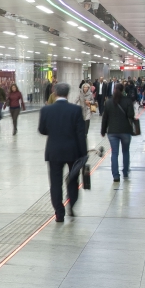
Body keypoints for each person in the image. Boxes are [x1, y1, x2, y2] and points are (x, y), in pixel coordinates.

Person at [38, 82, 88, 222]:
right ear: (68, 94)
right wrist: (84, 154)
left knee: (55, 183)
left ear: (55, 93)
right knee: (72, 180)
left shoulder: (46, 110)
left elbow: (42, 130)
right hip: (73, 151)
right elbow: (80, 134)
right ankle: (71, 205)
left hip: (53, 151)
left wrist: (53, 132)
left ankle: (59, 213)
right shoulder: (76, 110)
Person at [101, 85, 135, 182]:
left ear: (114, 90)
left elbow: (105, 118)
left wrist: (103, 131)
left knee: (114, 153)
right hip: (126, 131)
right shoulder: (128, 101)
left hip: (112, 131)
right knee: (126, 152)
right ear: (123, 90)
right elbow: (131, 115)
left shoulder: (108, 102)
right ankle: (125, 172)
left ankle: (115, 176)